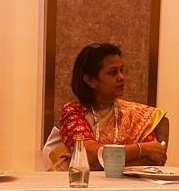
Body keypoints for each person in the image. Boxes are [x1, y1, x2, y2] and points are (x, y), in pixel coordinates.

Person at [49, 42, 168, 171]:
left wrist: (98, 163)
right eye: (112, 73)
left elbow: (154, 157)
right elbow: (88, 153)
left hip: (129, 183)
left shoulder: (137, 115)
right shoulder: (74, 112)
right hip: (84, 182)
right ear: (90, 80)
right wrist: (141, 149)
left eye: (121, 70)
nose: (121, 77)